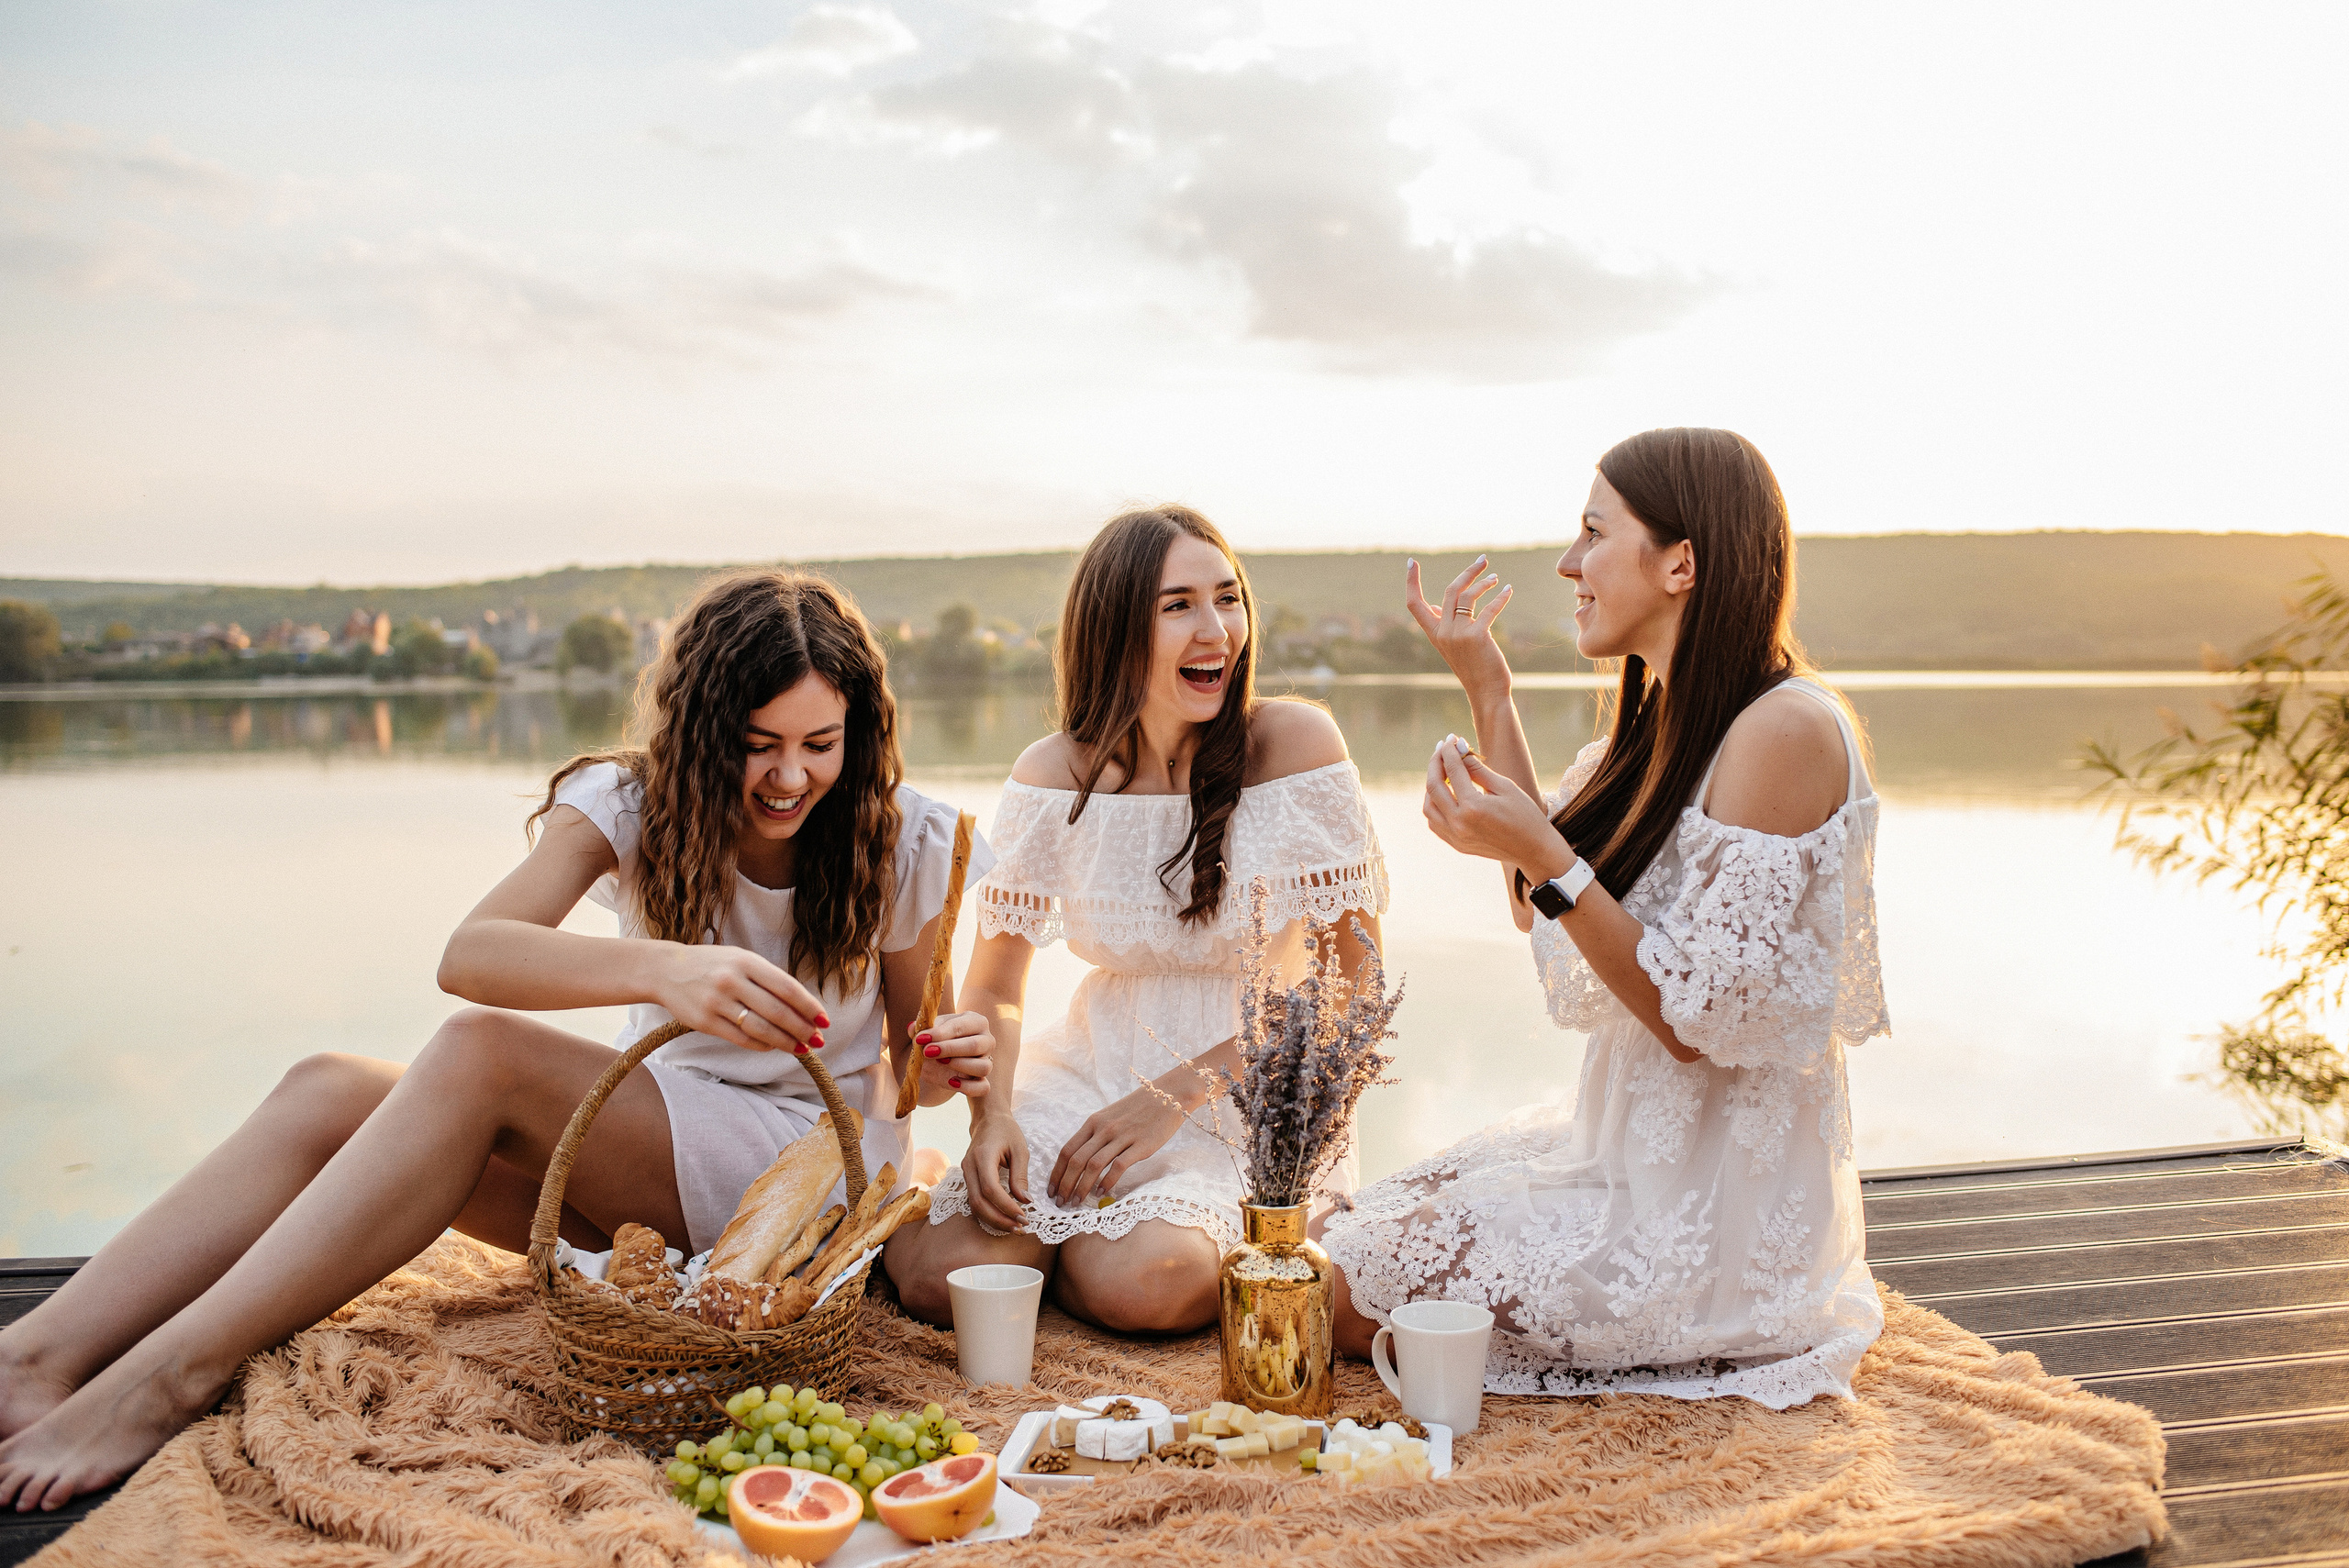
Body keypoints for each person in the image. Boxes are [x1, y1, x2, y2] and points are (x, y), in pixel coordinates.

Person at [0, 571, 996, 1510]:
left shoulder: (900, 833)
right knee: (325, 1087)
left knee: (482, 1056)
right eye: (756, 742)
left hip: (803, 1176)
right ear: (698, 730)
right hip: (641, 1149)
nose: (790, 775)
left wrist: (955, 1058)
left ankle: (171, 1376)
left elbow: (911, 1080)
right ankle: (33, 1357)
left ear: (856, 732)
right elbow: (472, 951)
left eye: (820, 742)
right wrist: (665, 970)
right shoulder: (633, 801)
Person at [1321, 428, 1889, 1407]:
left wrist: (1543, 852)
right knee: (1339, 1233)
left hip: (1710, 1219)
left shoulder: (1783, 729)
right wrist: (1487, 687)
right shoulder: (1665, 723)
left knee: (1330, 1289)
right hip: (1621, 1154)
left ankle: (1720, 1326)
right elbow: (1538, 900)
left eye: (1592, 531)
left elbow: (1691, 1020)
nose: (1567, 563)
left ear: (1682, 561)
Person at [885, 506, 1388, 1334]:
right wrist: (995, 1113)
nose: (1216, 630)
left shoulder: (1297, 746)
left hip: (1253, 1090)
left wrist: (1177, 1093)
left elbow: (1355, 1000)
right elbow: (997, 987)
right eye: (1178, 605)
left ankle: (1072, 1251)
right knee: (945, 1280)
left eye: (1227, 599)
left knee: (1148, 1282)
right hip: (1092, 1070)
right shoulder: (1053, 774)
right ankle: (983, 1212)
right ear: (1116, 630)